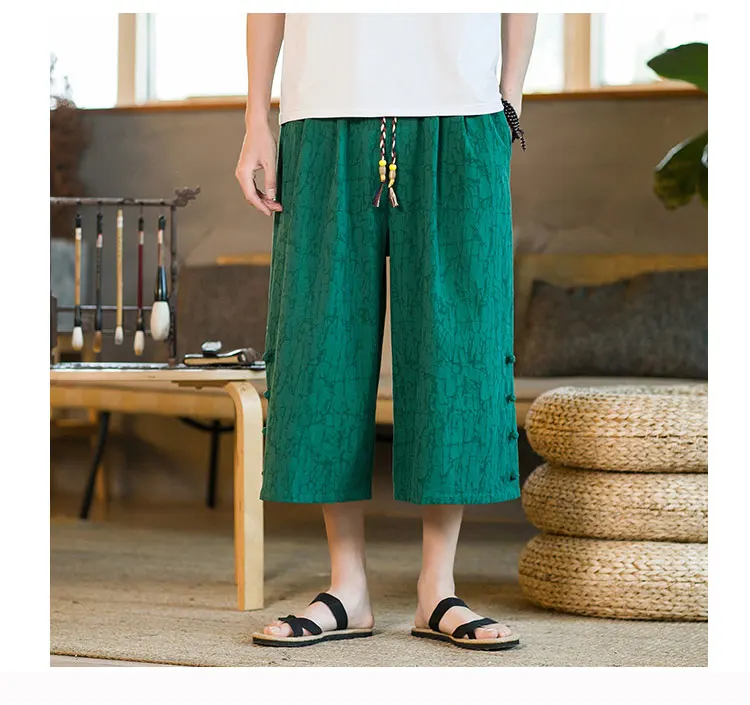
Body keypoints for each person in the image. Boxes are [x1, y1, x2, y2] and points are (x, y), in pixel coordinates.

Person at [236, 12, 537, 651]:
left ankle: (438, 588)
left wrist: (509, 93)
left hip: (461, 109)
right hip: (322, 113)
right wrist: (256, 116)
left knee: (456, 348)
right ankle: (347, 587)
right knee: (322, 343)